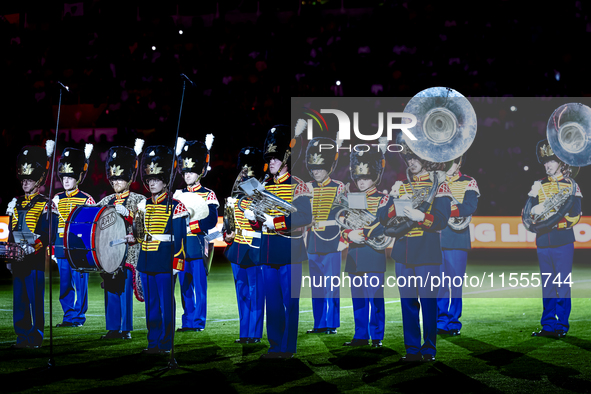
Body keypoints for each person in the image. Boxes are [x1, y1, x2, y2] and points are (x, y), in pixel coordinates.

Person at [247, 123, 312, 359]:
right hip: (268, 251)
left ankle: (288, 347)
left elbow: (306, 216)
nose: (271, 162)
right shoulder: (263, 186)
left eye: (275, 158)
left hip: (290, 250)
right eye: (269, 158)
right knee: (272, 303)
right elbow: (258, 223)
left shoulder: (298, 185)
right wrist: (253, 217)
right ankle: (275, 345)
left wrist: (279, 222)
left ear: (285, 158)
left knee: (290, 303)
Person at [383, 143, 451, 362]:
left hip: (427, 252)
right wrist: (393, 199)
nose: (411, 163)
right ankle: (412, 348)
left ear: (425, 161)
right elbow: (384, 218)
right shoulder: (401, 185)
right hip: (402, 252)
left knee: (429, 303)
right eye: (409, 159)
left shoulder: (439, 185)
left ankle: (429, 348)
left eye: (415, 158)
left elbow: (441, 220)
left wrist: (421, 217)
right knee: (408, 303)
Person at [525, 139, 582, 339]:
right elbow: (527, 213)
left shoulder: (570, 185)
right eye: (545, 162)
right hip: (543, 242)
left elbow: (575, 215)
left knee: (562, 285)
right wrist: (533, 206)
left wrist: (551, 217)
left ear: (561, 163)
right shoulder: (539, 185)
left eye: (551, 161)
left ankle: (561, 325)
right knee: (547, 285)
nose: (547, 165)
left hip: (562, 241)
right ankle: (548, 324)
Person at [136, 145, 188, 354]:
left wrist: (177, 263)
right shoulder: (143, 204)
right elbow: (140, 232)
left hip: (165, 259)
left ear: (165, 181)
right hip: (146, 258)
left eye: (156, 179)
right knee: (151, 305)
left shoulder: (176, 205)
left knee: (166, 304)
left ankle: (166, 342)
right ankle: (153, 341)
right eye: (149, 180)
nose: (152, 183)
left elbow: (181, 239)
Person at [340, 144, 391, 348]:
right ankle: (360, 335)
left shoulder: (383, 199)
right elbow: (343, 224)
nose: (361, 182)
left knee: (375, 299)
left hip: (373, 253)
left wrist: (363, 232)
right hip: (355, 254)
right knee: (358, 300)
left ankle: (377, 336)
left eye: (366, 178)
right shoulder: (352, 199)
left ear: (375, 177)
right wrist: (349, 233)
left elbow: (385, 225)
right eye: (359, 178)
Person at [96, 140, 146, 340]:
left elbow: (144, 227)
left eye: (120, 179)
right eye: (113, 179)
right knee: (110, 289)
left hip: (128, 252)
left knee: (124, 290)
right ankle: (112, 328)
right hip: (108, 253)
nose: (116, 182)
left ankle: (125, 328)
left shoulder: (139, 200)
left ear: (128, 179)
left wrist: (129, 216)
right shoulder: (104, 201)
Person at [6, 141, 54, 348]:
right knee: (19, 301)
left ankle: (36, 336)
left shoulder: (46, 203)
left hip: (34, 259)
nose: (25, 183)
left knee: (35, 301)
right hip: (17, 258)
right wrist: (8, 255)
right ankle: (22, 335)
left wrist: (33, 246)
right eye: (24, 178)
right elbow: (9, 231)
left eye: (30, 178)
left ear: (40, 179)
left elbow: (47, 234)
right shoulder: (15, 203)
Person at [174, 135, 219, 332]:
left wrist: (191, 226)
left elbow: (210, 220)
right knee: (184, 287)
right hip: (182, 248)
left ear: (200, 171)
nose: (187, 175)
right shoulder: (177, 194)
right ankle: (187, 321)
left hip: (199, 245)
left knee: (200, 287)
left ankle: (198, 322)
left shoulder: (208, 194)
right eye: (185, 172)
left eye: (191, 172)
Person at [304, 137, 346, 336]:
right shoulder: (306, 187)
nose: (315, 171)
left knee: (332, 288)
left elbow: (345, 216)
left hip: (331, 241)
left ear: (328, 168)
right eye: (313, 168)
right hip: (313, 243)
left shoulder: (339, 187)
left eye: (319, 168)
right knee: (317, 288)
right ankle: (319, 323)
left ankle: (332, 323)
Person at [224, 147, 265, 344]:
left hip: (254, 247)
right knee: (241, 293)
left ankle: (255, 334)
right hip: (237, 249)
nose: (244, 174)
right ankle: (244, 332)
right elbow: (227, 225)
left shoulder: (262, 196)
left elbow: (264, 224)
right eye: (243, 170)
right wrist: (228, 235)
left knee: (255, 293)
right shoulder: (234, 197)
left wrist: (254, 220)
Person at [436, 156, 480, 336]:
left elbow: (470, 206)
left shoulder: (468, 182)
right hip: (436, 237)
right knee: (438, 283)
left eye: (452, 163)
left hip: (457, 238)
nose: (448, 166)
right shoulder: (435, 181)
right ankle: (440, 321)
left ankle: (453, 322)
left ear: (459, 163)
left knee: (455, 283)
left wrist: (444, 209)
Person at [53, 144, 95, 328]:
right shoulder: (56, 198)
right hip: (61, 246)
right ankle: (68, 316)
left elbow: (91, 227)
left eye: (70, 177)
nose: (66, 180)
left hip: (78, 247)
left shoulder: (87, 199)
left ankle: (78, 317)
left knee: (79, 283)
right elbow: (53, 226)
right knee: (65, 285)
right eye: (64, 177)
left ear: (78, 177)